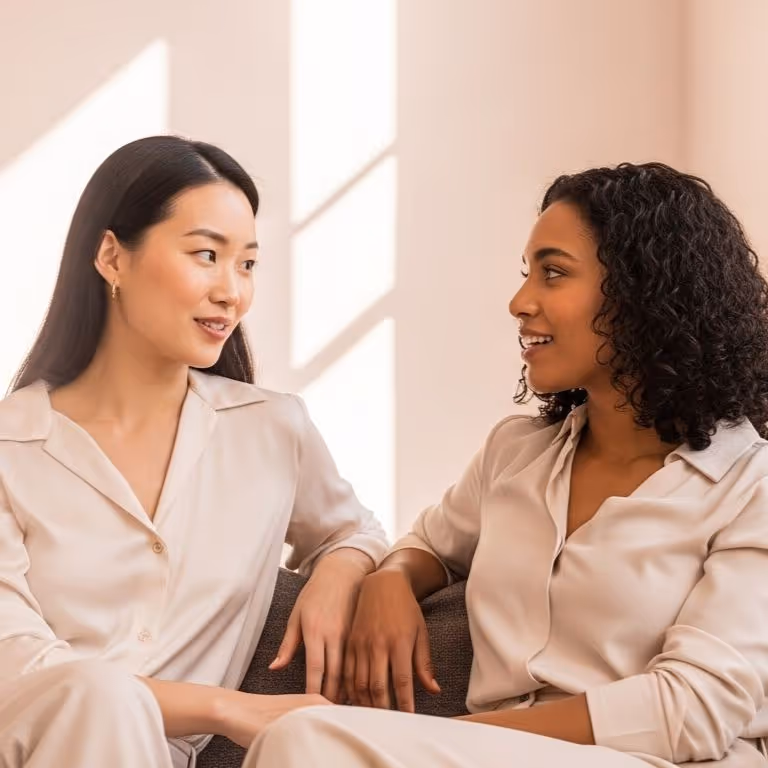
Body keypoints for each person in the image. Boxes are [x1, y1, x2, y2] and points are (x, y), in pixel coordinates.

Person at [244, 163, 768, 768]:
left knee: (303, 738)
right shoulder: (515, 455)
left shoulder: (750, 487)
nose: (521, 302)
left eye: (553, 273)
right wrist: (391, 580)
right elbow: (431, 545)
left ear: (644, 290)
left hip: (662, 761)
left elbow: (693, 709)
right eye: (528, 275)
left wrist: (473, 739)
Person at [0, 135, 388, 768]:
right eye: (207, 255)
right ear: (111, 257)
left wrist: (341, 570)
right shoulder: (10, 446)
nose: (232, 291)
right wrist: (225, 707)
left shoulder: (271, 429)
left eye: (248, 264)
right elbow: (15, 665)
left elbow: (357, 529)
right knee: (98, 696)